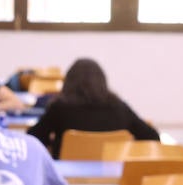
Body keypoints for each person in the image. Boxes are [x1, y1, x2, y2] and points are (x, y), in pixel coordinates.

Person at [26, 58, 160, 159]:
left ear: (68, 82)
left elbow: (32, 138)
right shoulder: (119, 107)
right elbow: (152, 137)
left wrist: (54, 145)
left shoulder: (60, 108)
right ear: (103, 81)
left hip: (67, 179)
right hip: (112, 181)